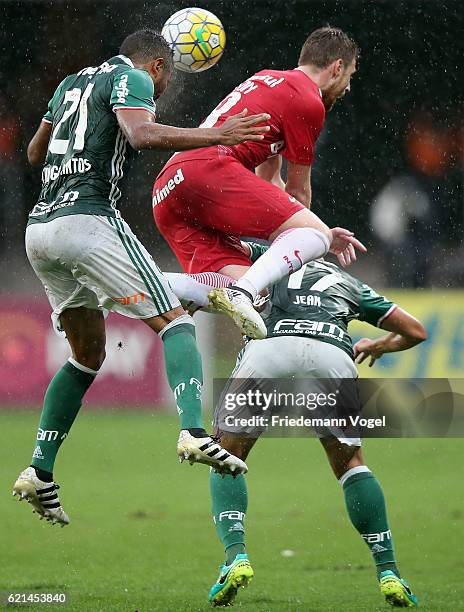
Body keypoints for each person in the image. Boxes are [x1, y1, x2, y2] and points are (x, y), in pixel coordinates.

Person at [12, 29, 270, 527]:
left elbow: (34, 153)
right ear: (156, 66)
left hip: (40, 229)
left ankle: (40, 470)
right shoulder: (132, 76)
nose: (162, 86)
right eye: (165, 77)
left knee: (87, 355)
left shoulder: (70, 83)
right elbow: (141, 134)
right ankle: (195, 431)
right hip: (89, 220)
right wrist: (218, 135)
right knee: (174, 324)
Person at [204, 245, 425, 607]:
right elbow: (415, 331)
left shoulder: (269, 263)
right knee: (352, 465)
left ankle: (235, 558)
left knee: (225, 454)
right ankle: (389, 572)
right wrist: (379, 345)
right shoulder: (349, 283)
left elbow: (226, 247)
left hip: (272, 348)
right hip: (331, 353)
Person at [153, 26, 366, 340]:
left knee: (249, 288)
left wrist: (297, 238)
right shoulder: (308, 100)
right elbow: (298, 192)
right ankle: (244, 292)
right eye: (350, 75)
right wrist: (315, 241)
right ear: (337, 68)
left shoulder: (269, 81)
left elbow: (268, 180)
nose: (348, 87)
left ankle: (130, 279)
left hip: (169, 186)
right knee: (310, 235)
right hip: (207, 169)